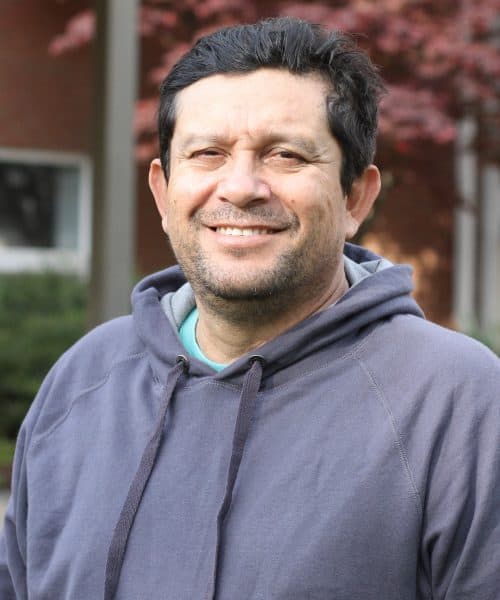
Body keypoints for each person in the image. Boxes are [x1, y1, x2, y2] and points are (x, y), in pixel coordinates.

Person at [1, 17, 499, 600]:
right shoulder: (83, 381)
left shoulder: (458, 402)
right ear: (163, 193)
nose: (240, 187)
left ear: (355, 197)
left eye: (285, 155)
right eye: (207, 153)